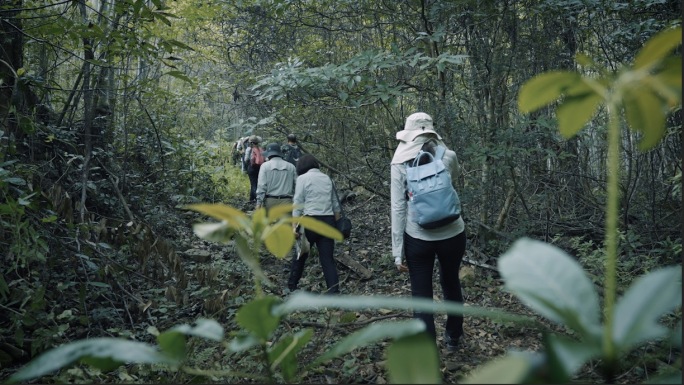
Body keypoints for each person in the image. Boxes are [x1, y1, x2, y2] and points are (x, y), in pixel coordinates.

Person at [390, 112, 467, 352]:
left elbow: (398, 207)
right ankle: (454, 337)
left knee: (421, 293)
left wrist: (397, 251)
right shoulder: (449, 156)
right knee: (451, 282)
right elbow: (452, 182)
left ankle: (427, 352)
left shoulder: (399, 162)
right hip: (453, 233)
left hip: (418, 238)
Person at [288, 154, 341, 294]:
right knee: (327, 259)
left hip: (310, 221)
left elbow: (298, 204)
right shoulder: (327, 178)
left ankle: (292, 286)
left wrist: (294, 227)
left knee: (301, 254)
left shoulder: (302, 179)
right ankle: (333, 291)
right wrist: (336, 224)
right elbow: (336, 205)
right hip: (328, 221)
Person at [255, 143, 297, 211]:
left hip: (270, 202)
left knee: (269, 221)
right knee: (285, 222)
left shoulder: (265, 166)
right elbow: (296, 186)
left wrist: (258, 203)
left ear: (269, 155)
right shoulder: (291, 166)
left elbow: (261, 186)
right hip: (287, 202)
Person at [244, 135, 263, 203]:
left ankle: (255, 199)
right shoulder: (261, 149)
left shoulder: (249, 149)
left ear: (251, 142)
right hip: (260, 168)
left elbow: (246, 160)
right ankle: (252, 198)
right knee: (258, 183)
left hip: (251, 168)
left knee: (253, 184)